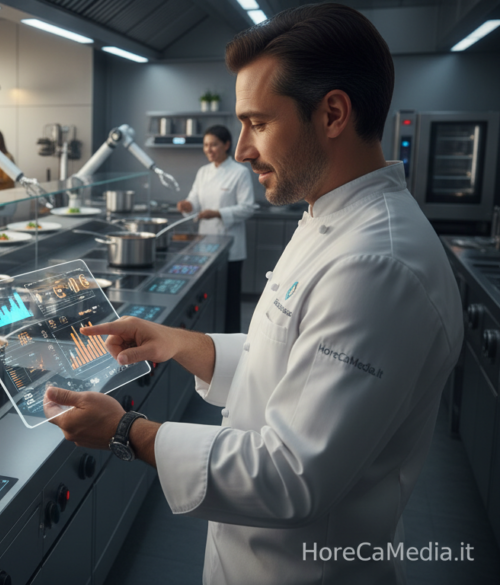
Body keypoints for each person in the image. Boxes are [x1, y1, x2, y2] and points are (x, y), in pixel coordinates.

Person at [44, 5, 463, 585]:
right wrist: (178, 342)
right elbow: (287, 360)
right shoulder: (330, 213)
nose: (242, 149)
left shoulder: (377, 265)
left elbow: (292, 476)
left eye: (258, 123)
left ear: (333, 114)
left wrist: (126, 432)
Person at [176, 125, 255, 333]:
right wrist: (188, 205)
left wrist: (218, 213)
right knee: (206, 299)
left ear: (227, 145)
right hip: (204, 247)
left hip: (231, 249)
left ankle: (231, 339)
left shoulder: (240, 173)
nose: (209, 150)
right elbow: (195, 199)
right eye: (206, 145)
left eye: (213, 145)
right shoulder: (203, 172)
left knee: (228, 300)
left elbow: (248, 208)